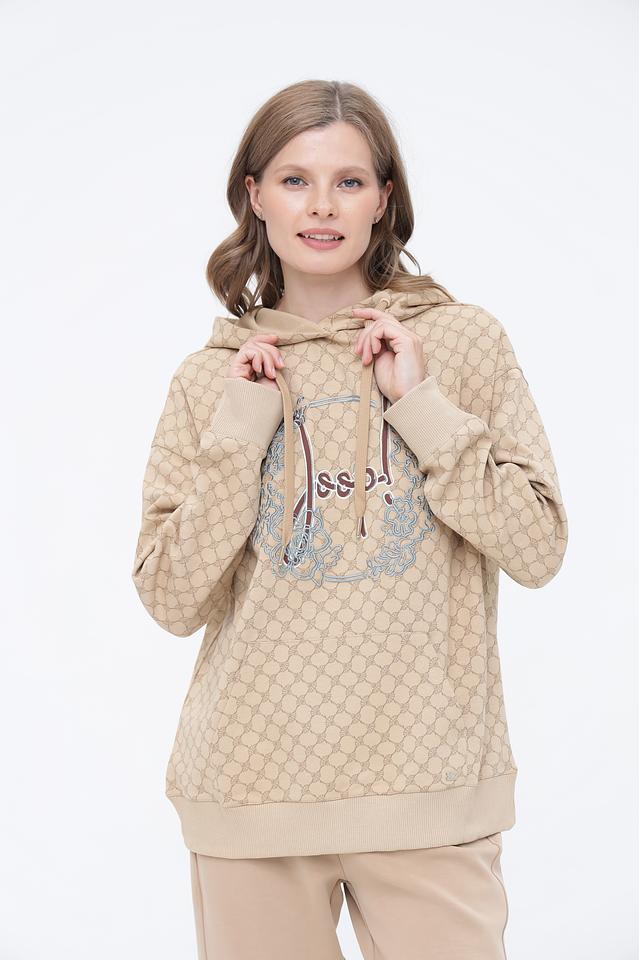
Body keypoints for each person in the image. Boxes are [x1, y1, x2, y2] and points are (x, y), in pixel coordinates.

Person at [131, 79, 569, 960]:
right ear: (255, 195)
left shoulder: (461, 342)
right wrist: (241, 430)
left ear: (384, 198)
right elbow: (171, 598)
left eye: (349, 181)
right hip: (250, 794)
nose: (322, 206)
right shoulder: (210, 377)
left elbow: (537, 547)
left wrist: (422, 405)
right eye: (295, 180)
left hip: (430, 790)